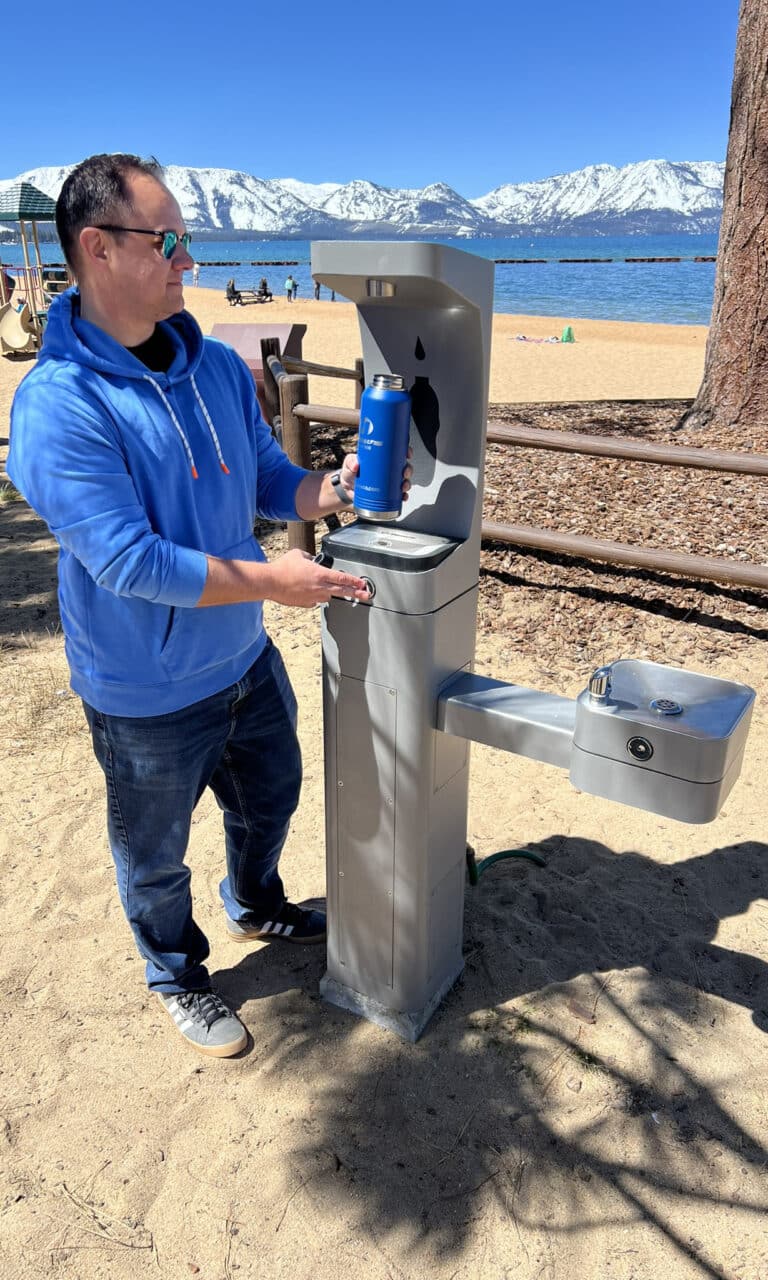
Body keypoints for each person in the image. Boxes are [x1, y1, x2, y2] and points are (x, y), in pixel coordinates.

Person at [7, 153, 411, 1060]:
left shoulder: (217, 368)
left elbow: (266, 478)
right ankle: (176, 973)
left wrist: (324, 493)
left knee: (272, 800)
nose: (190, 261)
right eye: (171, 241)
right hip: (143, 688)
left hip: (240, 657)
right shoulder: (58, 404)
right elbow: (127, 561)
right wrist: (276, 580)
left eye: (190, 240)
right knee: (154, 859)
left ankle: (256, 906)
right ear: (98, 248)